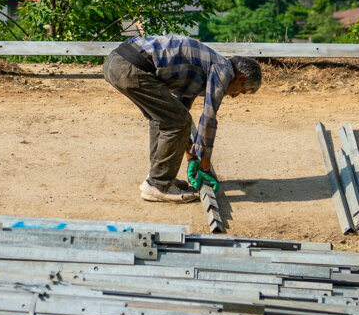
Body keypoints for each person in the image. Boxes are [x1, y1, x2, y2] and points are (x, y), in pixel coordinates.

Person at [103, 35, 261, 203]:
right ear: (240, 78)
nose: (235, 96)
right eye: (242, 91)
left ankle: (160, 177)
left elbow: (180, 109)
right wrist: (205, 168)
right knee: (177, 121)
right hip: (131, 67)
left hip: (117, 63)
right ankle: (157, 186)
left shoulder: (203, 68)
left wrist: (192, 157)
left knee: (165, 119)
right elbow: (208, 121)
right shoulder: (223, 70)